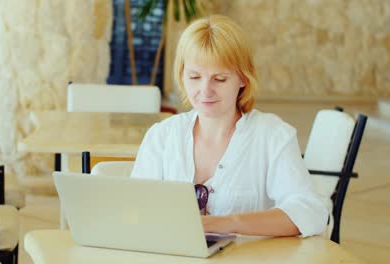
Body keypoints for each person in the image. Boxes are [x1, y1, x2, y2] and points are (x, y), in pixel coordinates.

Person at [130, 14, 328, 237]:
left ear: (243, 78)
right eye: (195, 77)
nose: (205, 90)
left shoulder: (272, 136)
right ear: (181, 75)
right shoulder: (162, 136)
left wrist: (227, 223)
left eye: (220, 79)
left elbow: (310, 212)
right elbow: (136, 211)